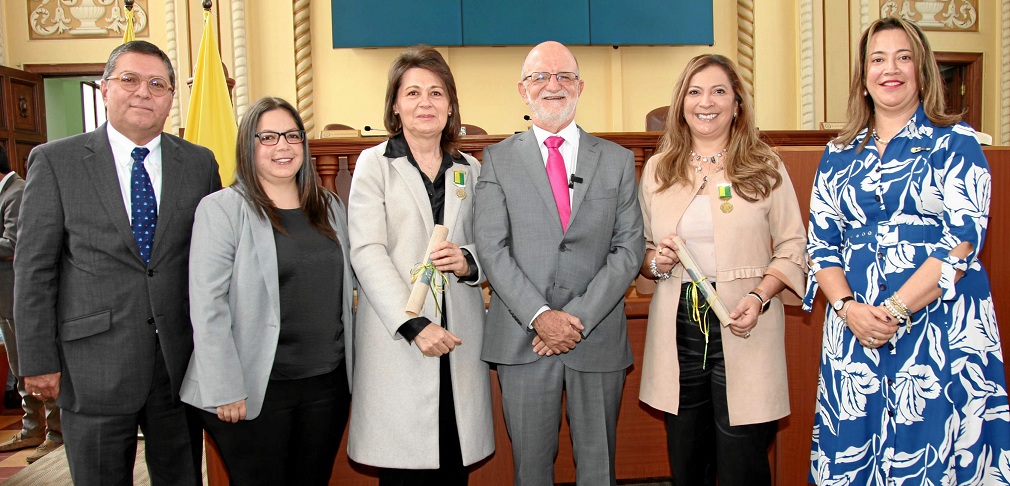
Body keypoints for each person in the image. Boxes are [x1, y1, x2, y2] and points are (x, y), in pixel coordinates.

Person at [805, 17, 1010, 484]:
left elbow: (962, 240)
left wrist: (896, 309)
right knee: (853, 448)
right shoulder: (838, 153)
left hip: (937, 324)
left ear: (922, 70)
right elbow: (821, 244)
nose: (889, 69)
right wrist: (848, 307)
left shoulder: (956, 142)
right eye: (877, 59)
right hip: (855, 329)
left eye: (903, 57)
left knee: (928, 449)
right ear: (862, 75)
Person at [14, 40, 220, 485]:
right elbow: (34, 270)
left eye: (157, 84)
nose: (143, 92)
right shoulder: (55, 162)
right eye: (129, 79)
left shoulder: (199, 163)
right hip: (92, 366)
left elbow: (213, 263)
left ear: (170, 99)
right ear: (106, 89)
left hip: (179, 366)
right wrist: (37, 358)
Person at [474, 41, 645, 485]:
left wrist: (575, 320)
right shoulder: (496, 159)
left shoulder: (617, 160)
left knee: (599, 469)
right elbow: (491, 248)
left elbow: (628, 249)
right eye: (540, 77)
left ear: (580, 86)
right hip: (523, 341)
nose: (553, 86)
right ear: (522, 90)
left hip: (597, 336)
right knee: (530, 471)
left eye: (564, 76)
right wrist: (541, 317)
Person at [636, 54, 806, 485]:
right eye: (694, 92)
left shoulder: (765, 166)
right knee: (688, 459)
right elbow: (641, 251)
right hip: (680, 328)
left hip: (745, 321)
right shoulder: (659, 169)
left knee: (741, 460)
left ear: (737, 104)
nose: (705, 102)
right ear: (681, 103)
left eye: (718, 91)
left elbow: (793, 245)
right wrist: (657, 262)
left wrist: (760, 294)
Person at [181, 97, 354, 484]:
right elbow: (208, 306)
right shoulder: (223, 209)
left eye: (293, 136)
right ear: (248, 145)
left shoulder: (328, 205)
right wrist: (225, 386)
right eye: (269, 137)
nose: (283, 146)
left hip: (326, 384)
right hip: (253, 388)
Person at [346, 45, 493, 484]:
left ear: (450, 106)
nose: (424, 103)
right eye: (412, 93)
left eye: (435, 92)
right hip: (400, 340)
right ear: (395, 105)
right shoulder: (375, 164)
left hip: (458, 340)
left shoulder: (470, 168)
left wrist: (468, 262)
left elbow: (490, 245)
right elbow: (366, 250)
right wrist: (413, 325)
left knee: (454, 463)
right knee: (403, 470)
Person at [0, 145, 63, 464]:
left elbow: (14, 244)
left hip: (22, 297)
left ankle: (54, 433)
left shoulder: (17, 192)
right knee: (19, 367)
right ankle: (32, 428)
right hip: (6, 299)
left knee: (38, 363)